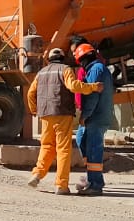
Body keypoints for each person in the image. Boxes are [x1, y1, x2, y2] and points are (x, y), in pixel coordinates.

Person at [25, 47, 100, 194]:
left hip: (45, 114)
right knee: (63, 149)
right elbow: (73, 86)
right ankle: (61, 185)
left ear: (49, 59)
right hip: (62, 113)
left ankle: (37, 173)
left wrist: (34, 109)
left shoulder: (41, 73)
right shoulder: (66, 69)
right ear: (63, 58)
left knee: (47, 146)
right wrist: (93, 87)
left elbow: (30, 93)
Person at [71, 39, 115, 195]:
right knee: (81, 139)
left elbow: (92, 97)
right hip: (97, 115)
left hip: (96, 116)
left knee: (94, 149)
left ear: (84, 59)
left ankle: (95, 184)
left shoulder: (96, 70)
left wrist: (84, 115)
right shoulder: (97, 68)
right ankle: (92, 176)